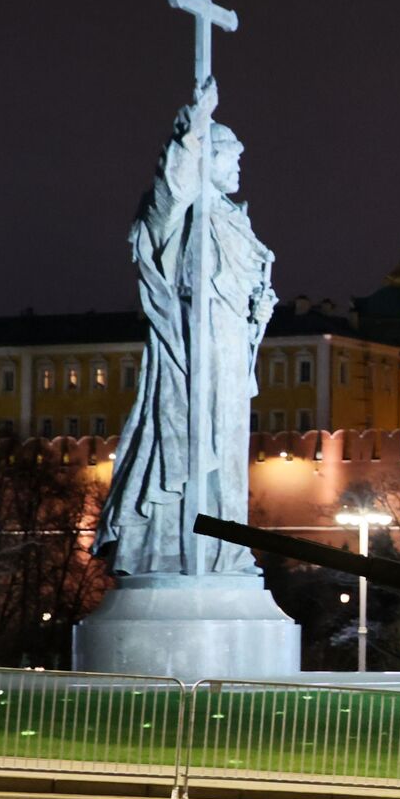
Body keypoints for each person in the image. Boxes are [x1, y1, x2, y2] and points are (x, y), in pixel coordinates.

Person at [95, 79, 277, 575]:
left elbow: (239, 287)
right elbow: (168, 191)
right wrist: (193, 127)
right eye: (229, 155)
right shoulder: (179, 212)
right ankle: (174, 549)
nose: (239, 163)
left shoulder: (236, 220)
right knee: (192, 447)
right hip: (193, 353)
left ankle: (227, 549)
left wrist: (257, 311)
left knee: (229, 455)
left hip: (231, 351)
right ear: (205, 159)